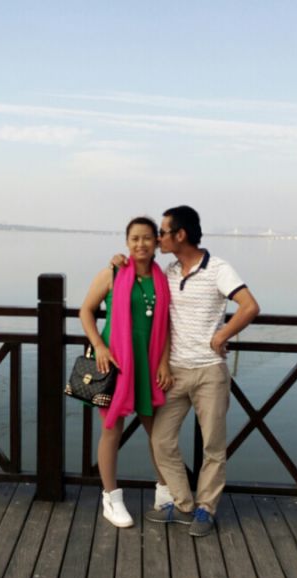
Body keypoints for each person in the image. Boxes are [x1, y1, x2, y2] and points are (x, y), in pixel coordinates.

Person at [113, 205, 260, 536]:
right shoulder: (168, 271)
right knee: (161, 440)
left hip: (210, 372)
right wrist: (117, 262)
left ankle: (206, 509)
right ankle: (183, 504)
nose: (158, 239)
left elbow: (249, 306)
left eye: (162, 233)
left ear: (180, 235)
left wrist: (222, 335)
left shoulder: (218, 268)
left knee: (213, 446)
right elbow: (140, 277)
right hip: (175, 372)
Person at [79, 216, 174, 527]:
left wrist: (164, 362)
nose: (140, 244)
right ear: (127, 242)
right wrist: (99, 346)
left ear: (157, 242)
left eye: (147, 238)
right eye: (134, 238)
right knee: (111, 430)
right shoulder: (112, 272)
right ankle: (111, 498)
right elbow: (86, 311)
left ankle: (165, 492)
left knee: (157, 432)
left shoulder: (163, 279)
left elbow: (167, 325)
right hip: (114, 363)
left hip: (149, 364)